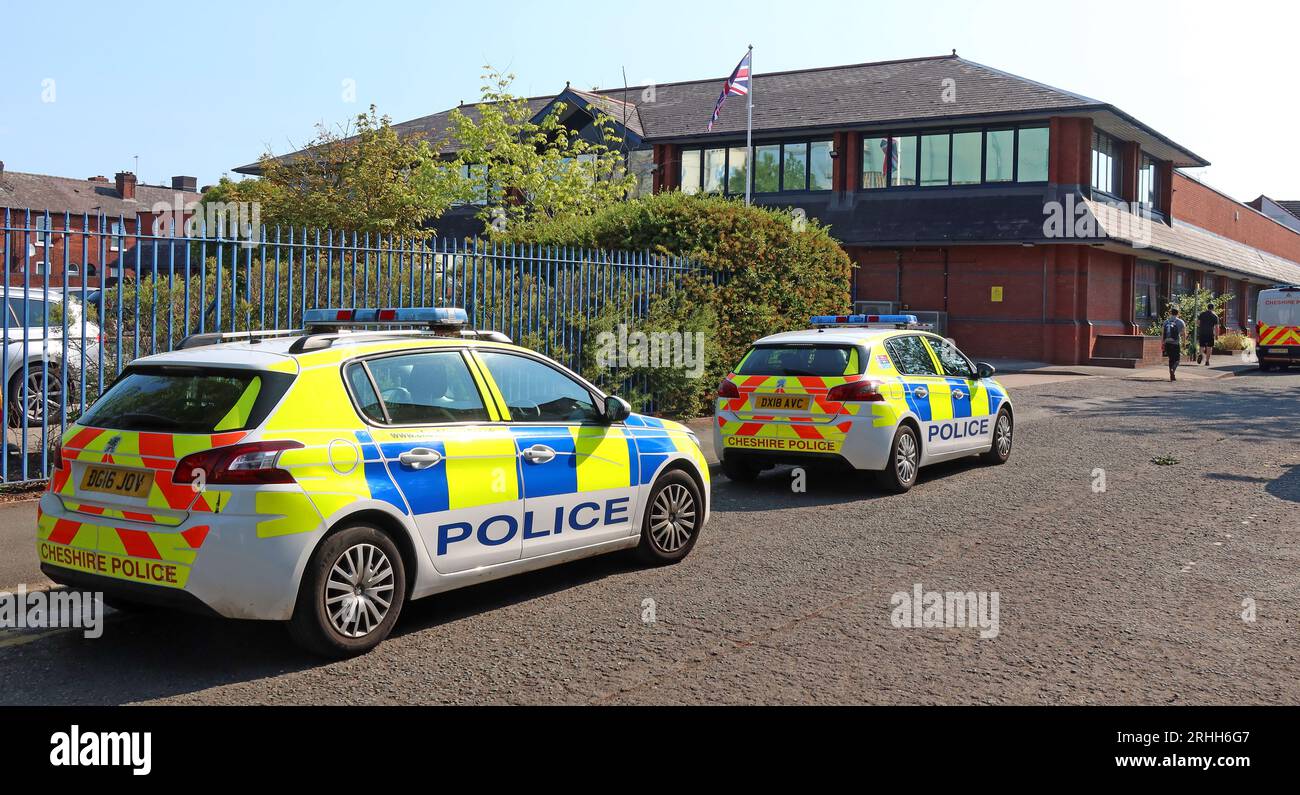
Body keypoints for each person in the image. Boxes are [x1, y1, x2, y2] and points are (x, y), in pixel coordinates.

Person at [1162, 307, 1187, 381]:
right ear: (1178, 313)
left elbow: (1163, 333)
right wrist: (1184, 343)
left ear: (1170, 313)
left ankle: (1171, 374)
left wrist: (1162, 343)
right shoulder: (1180, 322)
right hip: (1176, 343)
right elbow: (1183, 333)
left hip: (1167, 343)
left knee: (1170, 359)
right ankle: (1173, 369)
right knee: (1177, 359)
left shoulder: (1166, 322)